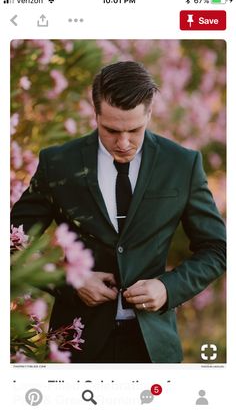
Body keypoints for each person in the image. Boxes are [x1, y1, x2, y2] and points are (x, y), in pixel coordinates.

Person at [11, 61, 226, 363]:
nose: (123, 143)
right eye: (111, 130)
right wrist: (69, 278)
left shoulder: (182, 165)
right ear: (95, 112)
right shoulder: (57, 163)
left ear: (150, 113)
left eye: (134, 130)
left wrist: (167, 288)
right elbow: (12, 239)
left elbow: (217, 248)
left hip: (154, 351)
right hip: (75, 348)